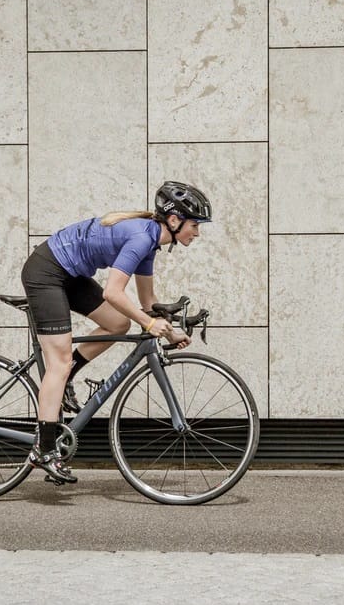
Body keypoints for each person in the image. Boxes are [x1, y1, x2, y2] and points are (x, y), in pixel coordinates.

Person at [20, 180, 212, 484]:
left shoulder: (151, 242)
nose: (197, 232)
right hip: (47, 272)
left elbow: (147, 304)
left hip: (70, 274)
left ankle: (68, 375)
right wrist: (150, 325)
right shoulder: (140, 238)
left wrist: (170, 332)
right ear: (174, 221)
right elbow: (113, 293)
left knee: (118, 324)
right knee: (58, 361)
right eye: (195, 224)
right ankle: (43, 451)